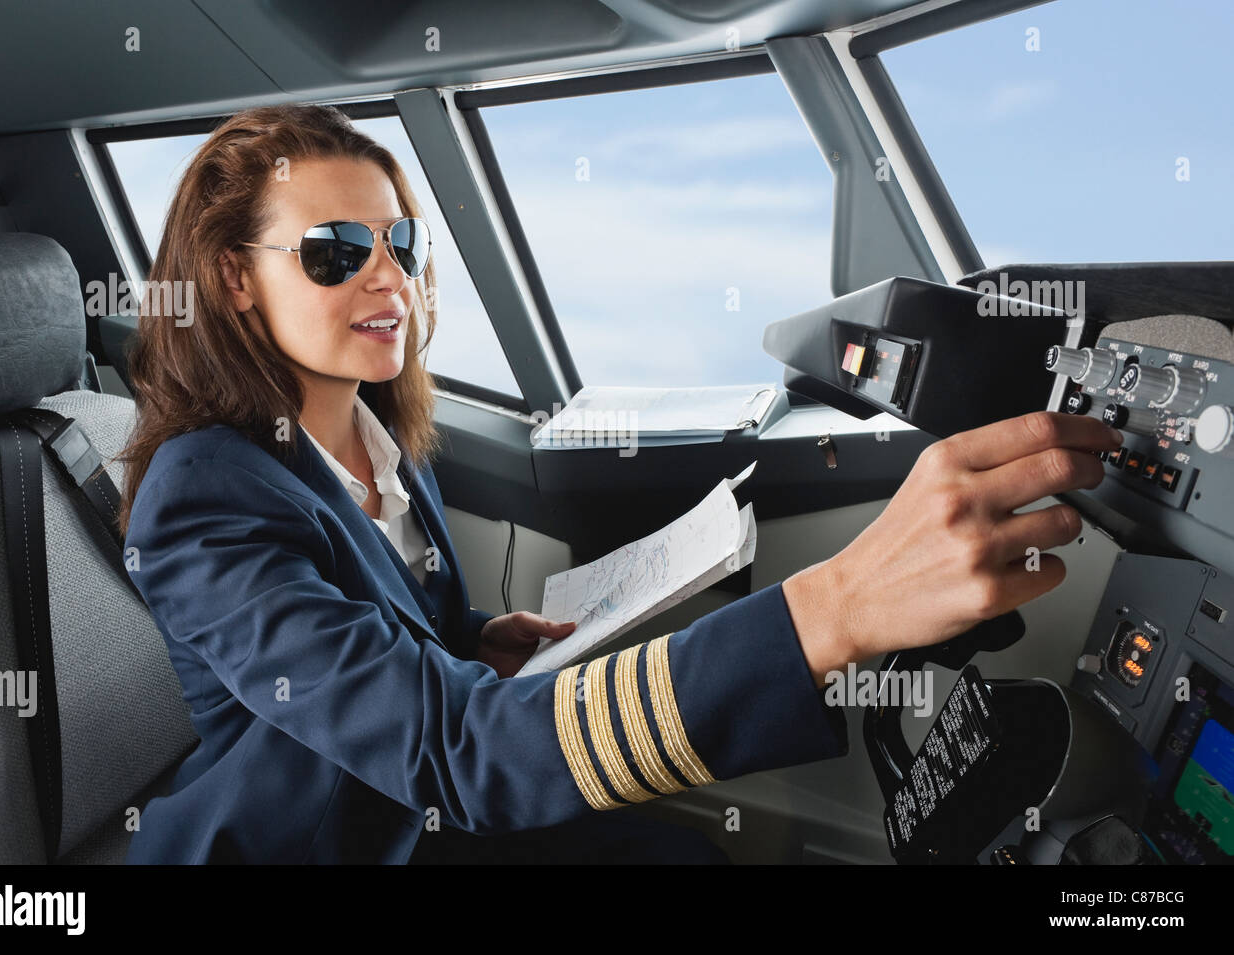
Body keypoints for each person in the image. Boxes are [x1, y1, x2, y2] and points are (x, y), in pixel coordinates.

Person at [116, 104, 1124, 864]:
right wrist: (837, 606)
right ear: (234, 279)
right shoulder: (203, 493)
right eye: (335, 252)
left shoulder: (374, 434)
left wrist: (471, 635)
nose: (387, 277)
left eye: (401, 242)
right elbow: (450, 748)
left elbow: (376, 635)